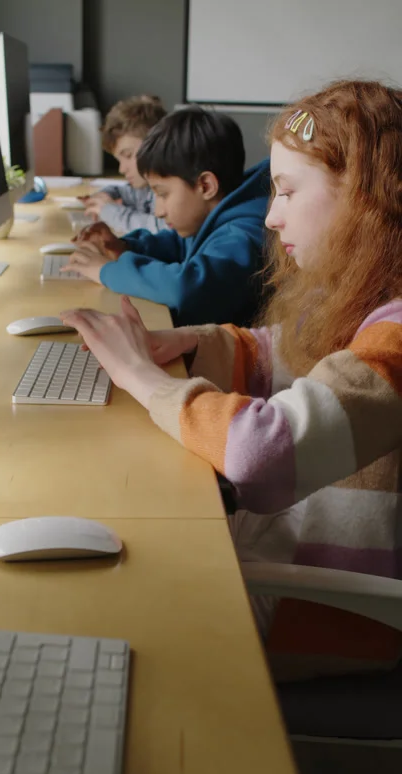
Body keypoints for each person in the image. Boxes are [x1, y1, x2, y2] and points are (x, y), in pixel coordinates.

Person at [61, 80, 402, 676]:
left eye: (288, 192)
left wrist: (148, 380)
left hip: (329, 610)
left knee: (101, 610)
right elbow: (285, 351)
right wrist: (189, 344)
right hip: (288, 558)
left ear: (365, 199)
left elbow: (263, 452)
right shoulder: (370, 295)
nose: (271, 216)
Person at [64, 107, 271, 327]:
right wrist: (125, 247)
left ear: (205, 185)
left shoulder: (243, 235)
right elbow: (180, 246)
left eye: (162, 194)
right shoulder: (211, 218)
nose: (158, 211)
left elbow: (186, 288)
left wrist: (106, 271)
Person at [82, 94, 168, 234]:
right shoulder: (146, 187)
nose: (122, 169)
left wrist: (110, 212)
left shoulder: (174, 183)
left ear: (155, 145)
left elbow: (163, 229)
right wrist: (104, 196)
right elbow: (126, 192)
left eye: (128, 155)